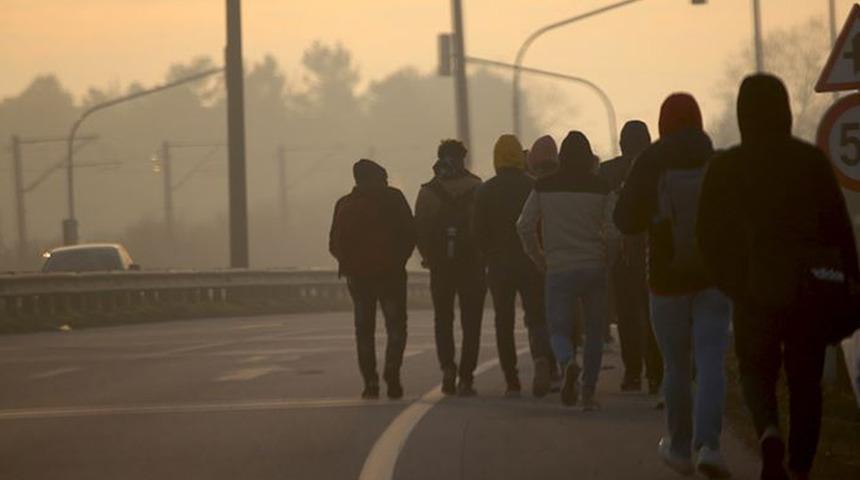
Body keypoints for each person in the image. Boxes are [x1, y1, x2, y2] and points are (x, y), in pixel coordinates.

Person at [697, 74, 859, 480]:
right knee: (806, 381)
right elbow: (839, 228)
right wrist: (850, 283)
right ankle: (800, 466)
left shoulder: (726, 167)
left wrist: (731, 281)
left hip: (754, 289)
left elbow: (708, 235)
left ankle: (769, 432)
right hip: (809, 289)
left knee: (755, 369)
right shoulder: (810, 162)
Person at [615, 94, 732, 478]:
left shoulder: (649, 161)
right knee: (711, 360)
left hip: (666, 279)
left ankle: (680, 448)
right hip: (714, 277)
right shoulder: (715, 159)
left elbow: (625, 221)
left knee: (677, 365)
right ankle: (710, 445)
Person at [517, 131, 610, 410]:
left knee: (558, 328)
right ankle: (588, 393)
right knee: (594, 332)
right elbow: (615, 231)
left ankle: (568, 361)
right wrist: (609, 258)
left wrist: (538, 257)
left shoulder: (544, 186)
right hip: (594, 266)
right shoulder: (602, 186)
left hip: (558, 268)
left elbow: (523, 225)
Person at [473, 134, 554, 397]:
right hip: (531, 262)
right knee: (536, 316)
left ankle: (511, 378)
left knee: (503, 320)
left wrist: (487, 256)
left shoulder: (485, 190)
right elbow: (542, 225)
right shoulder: (534, 186)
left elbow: (478, 232)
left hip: (499, 266)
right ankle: (542, 359)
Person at [329, 159, 416, 400]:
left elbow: (333, 244)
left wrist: (351, 264)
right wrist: (398, 260)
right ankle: (392, 373)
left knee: (364, 330)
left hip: (358, 279)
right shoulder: (394, 199)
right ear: (379, 178)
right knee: (396, 326)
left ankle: (370, 382)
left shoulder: (344, 204)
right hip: (391, 276)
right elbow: (411, 233)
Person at [415, 139, 486, 396]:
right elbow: (484, 228)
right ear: (463, 158)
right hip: (472, 266)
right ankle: (467, 377)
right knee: (471, 322)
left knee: (443, 319)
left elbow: (419, 231)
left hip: (440, 267)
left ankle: (447, 368)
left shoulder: (427, 192)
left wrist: (428, 257)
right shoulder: (478, 188)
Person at [599, 120, 663, 394]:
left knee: (626, 315)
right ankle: (656, 373)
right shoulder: (657, 167)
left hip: (620, 253)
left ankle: (633, 373)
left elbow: (602, 214)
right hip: (653, 250)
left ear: (622, 143)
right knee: (652, 315)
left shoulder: (607, 171)